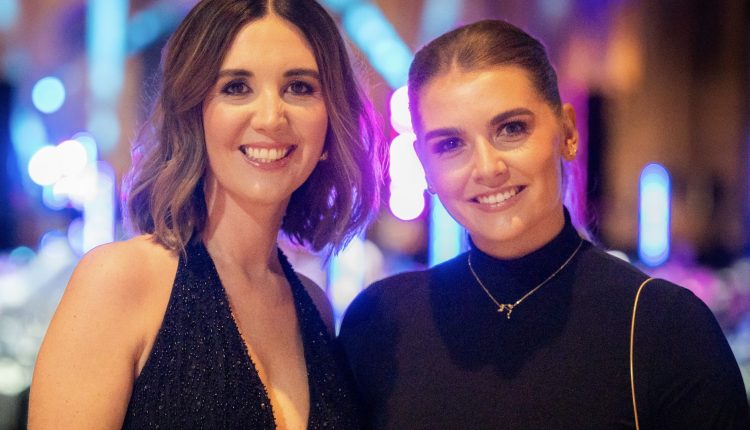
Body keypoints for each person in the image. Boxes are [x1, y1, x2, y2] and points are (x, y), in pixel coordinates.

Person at [339, 19, 749, 429]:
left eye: (511, 129)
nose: (487, 168)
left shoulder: (663, 326)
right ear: (424, 165)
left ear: (568, 132)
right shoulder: (380, 322)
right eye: (450, 144)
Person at [29, 0, 382, 428]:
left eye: (299, 87)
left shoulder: (315, 309)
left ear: (331, 117)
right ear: (193, 111)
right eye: (236, 87)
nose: (271, 117)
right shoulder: (120, 281)